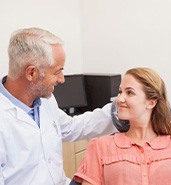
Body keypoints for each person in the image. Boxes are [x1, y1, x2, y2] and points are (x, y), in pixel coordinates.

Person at [0, 27, 117, 185]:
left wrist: (118, 110)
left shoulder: (45, 100)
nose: (62, 79)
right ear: (31, 73)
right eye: (57, 71)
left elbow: (71, 127)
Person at [72, 67, 171, 185]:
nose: (119, 99)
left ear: (151, 102)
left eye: (129, 92)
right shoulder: (99, 148)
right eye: (120, 92)